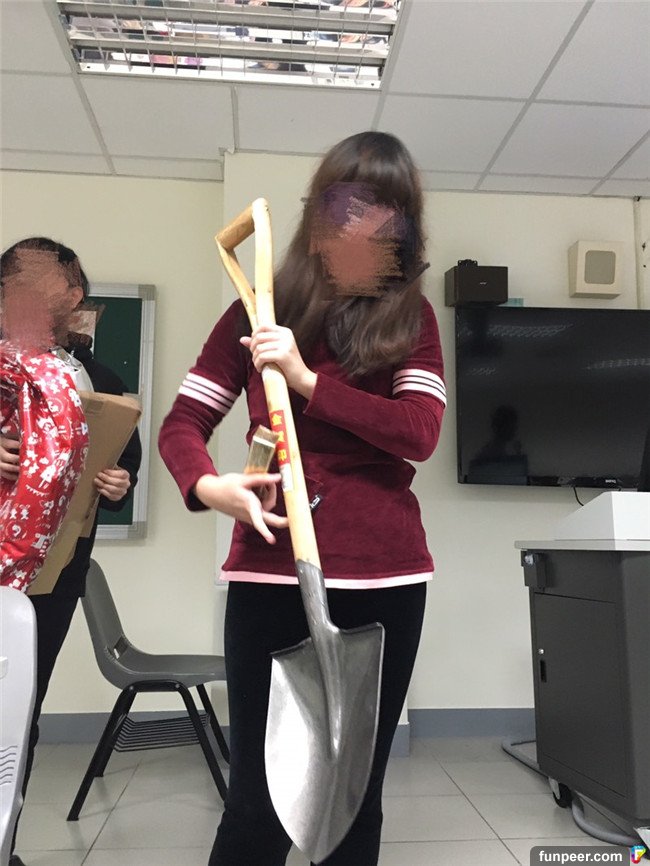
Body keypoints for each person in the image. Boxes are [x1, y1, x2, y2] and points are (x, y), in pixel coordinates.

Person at [158, 131, 446, 866]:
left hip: (383, 579)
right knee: (256, 804)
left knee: (353, 798)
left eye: (386, 210)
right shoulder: (253, 313)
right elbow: (183, 422)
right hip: (269, 573)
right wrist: (209, 486)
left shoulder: (412, 320)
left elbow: (419, 431)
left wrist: (308, 381)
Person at [0, 237, 142, 866]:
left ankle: (3, 841)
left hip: (55, 574)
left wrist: (119, 481)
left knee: (18, 715)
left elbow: (124, 459)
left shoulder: (100, 380)